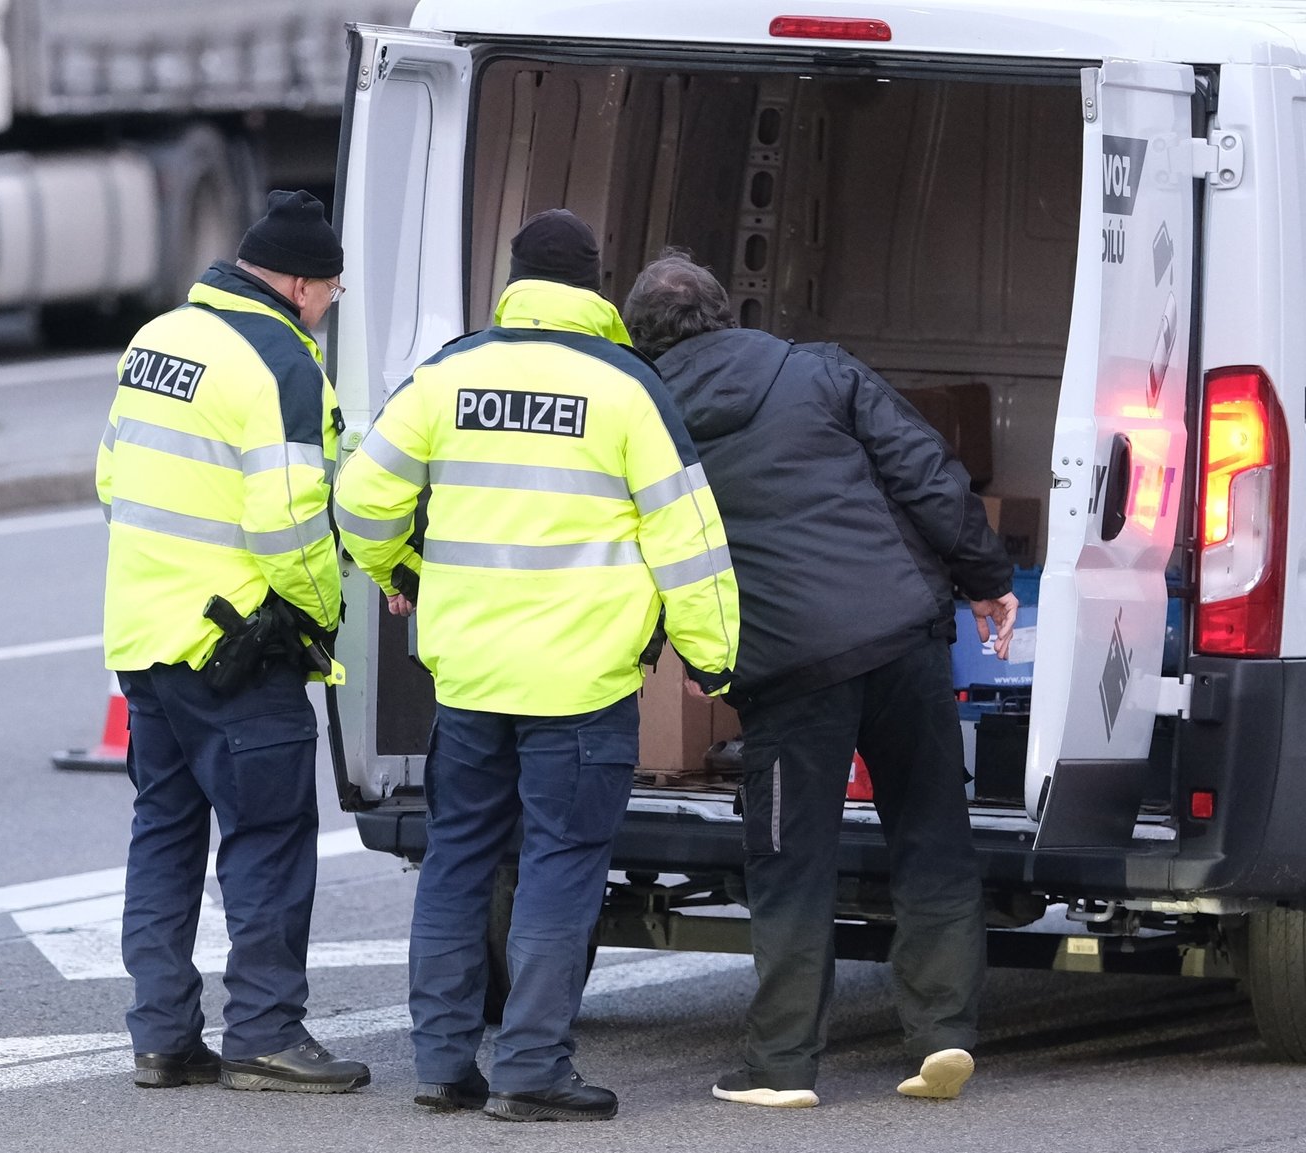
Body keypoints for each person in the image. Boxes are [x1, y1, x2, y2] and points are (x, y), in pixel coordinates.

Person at [336, 210, 740, 1122]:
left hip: (470, 679)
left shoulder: (449, 373)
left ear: (513, 280)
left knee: (456, 864)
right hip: (582, 688)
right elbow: (690, 539)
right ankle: (529, 1069)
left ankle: (443, 1063)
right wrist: (716, 664)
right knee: (560, 869)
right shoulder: (627, 387)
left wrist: (401, 567)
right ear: (597, 287)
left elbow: (360, 495)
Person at [621, 250, 1018, 1109]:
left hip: (785, 663)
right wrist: (986, 577)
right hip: (899, 633)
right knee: (930, 831)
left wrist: (691, 654)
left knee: (790, 858)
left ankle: (783, 1064)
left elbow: (647, 554)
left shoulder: (645, 419)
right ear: (727, 313)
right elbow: (925, 471)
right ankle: (942, 1032)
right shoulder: (817, 368)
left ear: (640, 339)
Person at [96, 189, 369, 1094]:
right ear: (297, 283)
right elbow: (291, 522)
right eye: (331, 289)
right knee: (267, 839)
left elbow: (110, 478)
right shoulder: (280, 363)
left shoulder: (159, 338)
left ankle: (163, 1036)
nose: (331, 305)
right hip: (238, 652)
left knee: (164, 834)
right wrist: (322, 620)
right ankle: (263, 1032)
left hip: (145, 639)